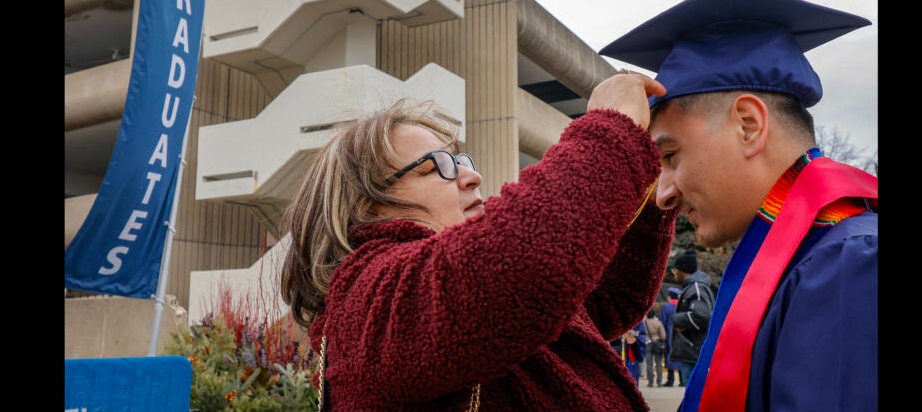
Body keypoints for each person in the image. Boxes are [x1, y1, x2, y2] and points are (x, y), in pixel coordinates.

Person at [280, 69, 678, 411]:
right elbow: (529, 266)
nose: (472, 177)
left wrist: (655, 184)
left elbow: (603, 298)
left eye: (463, 161)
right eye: (440, 166)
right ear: (366, 203)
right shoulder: (367, 298)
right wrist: (609, 131)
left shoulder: (478, 298)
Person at [599, 0, 878, 411]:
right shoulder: (809, 258)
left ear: (749, 124)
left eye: (670, 154)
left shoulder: (847, 265)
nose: (663, 195)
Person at [667, 249, 715, 388]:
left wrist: (677, 319)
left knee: (693, 396)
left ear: (682, 271)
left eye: (675, 270)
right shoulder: (692, 287)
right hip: (691, 352)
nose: (674, 274)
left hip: (694, 352)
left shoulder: (696, 287)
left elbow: (702, 315)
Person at [658, 287, 679, 386]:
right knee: (680, 356)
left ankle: (670, 380)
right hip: (680, 335)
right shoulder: (681, 306)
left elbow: (661, 321)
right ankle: (682, 381)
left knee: (669, 356)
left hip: (669, 334)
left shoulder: (666, 307)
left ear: (669, 297)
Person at [642, 305, 667, 387]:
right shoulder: (658, 323)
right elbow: (663, 336)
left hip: (647, 343)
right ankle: (659, 382)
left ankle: (650, 382)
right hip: (657, 344)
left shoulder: (644, 323)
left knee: (649, 364)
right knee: (658, 363)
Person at [621, 319, 648, 386]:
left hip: (631, 353)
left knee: (631, 375)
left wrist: (631, 336)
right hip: (617, 350)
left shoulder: (637, 320)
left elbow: (642, 335)